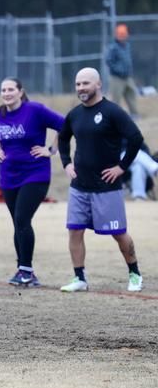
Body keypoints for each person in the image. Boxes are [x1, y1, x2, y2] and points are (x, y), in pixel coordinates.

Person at [58, 67, 144, 293]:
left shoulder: (112, 111)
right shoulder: (74, 114)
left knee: (118, 233)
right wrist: (66, 163)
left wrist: (121, 167)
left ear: (98, 84)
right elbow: (63, 138)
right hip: (79, 187)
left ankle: (135, 274)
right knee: (75, 231)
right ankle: (80, 278)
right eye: (78, 84)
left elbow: (136, 138)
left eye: (85, 83)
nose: (81, 88)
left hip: (107, 188)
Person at [0, 77, 64, 288]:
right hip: (8, 176)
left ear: (20, 92)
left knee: (22, 218)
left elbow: (65, 125)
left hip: (35, 174)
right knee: (18, 223)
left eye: (11, 89)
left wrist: (51, 150)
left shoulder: (35, 110)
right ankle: (22, 269)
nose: (6, 93)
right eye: (3, 90)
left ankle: (27, 271)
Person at [106, 24, 139, 118]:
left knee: (131, 94)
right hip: (116, 78)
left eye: (124, 35)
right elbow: (109, 61)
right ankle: (114, 117)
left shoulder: (127, 46)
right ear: (117, 35)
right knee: (116, 99)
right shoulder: (113, 47)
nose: (123, 37)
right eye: (121, 35)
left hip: (127, 76)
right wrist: (118, 70)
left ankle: (134, 114)